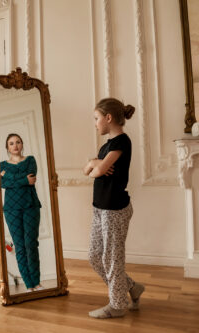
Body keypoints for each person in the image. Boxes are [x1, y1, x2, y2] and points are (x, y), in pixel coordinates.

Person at [83, 98, 145, 319]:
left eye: (96, 118)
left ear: (108, 118)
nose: (95, 123)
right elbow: (87, 170)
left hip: (115, 210)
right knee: (94, 256)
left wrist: (96, 166)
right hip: (100, 208)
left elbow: (98, 172)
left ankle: (117, 305)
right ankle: (131, 287)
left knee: (112, 258)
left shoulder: (121, 142)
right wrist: (94, 162)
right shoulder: (106, 146)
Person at [0, 133, 43, 292]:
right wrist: (24, 180)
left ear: (22, 144)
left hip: (30, 206)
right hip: (11, 209)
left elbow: (31, 177)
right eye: (11, 143)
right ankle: (28, 284)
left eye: (18, 142)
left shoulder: (30, 160)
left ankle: (36, 282)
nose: (15, 145)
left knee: (31, 244)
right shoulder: (1, 165)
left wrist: (10, 177)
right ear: (7, 147)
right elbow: (3, 184)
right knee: (19, 246)